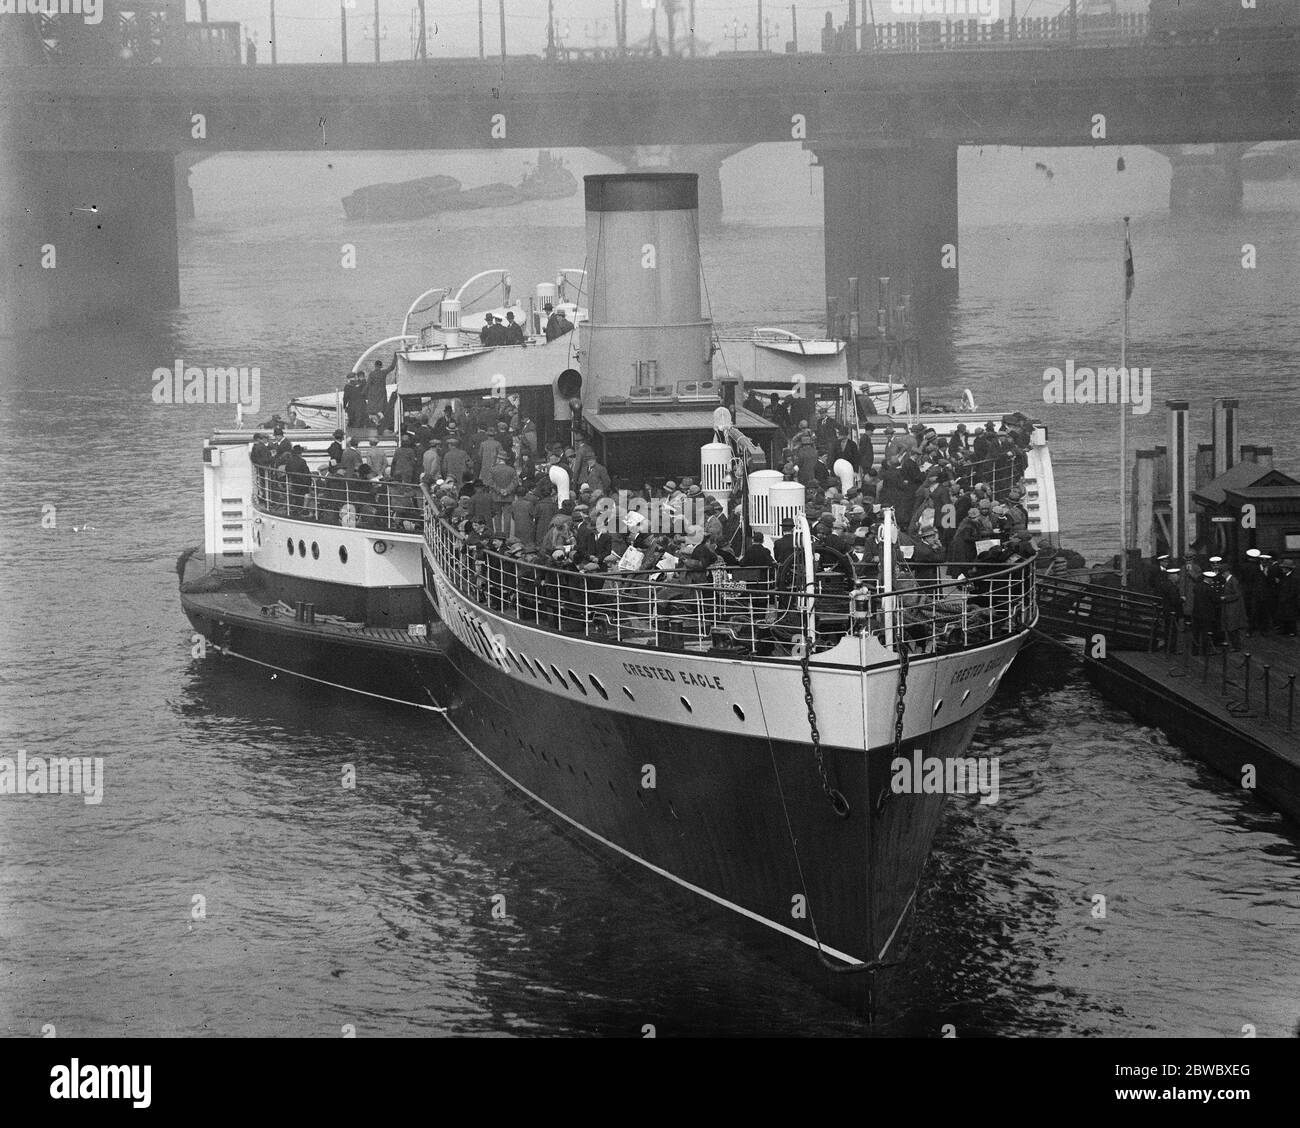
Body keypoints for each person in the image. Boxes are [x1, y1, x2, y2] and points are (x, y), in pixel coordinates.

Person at [365, 356, 396, 430]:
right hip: (382, 393)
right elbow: (391, 367)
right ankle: (382, 422)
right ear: (381, 366)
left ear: (375, 366)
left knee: (373, 409)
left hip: (373, 394)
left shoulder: (371, 374)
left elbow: (368, 384)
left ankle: (376, 422)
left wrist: (362, 392)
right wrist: (395, 358)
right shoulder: (383, 372)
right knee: (382, 408)